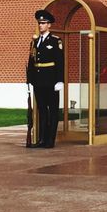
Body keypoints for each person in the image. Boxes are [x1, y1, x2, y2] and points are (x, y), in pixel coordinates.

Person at [27, 9, 64, 148]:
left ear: (49, 25)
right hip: (39, 81)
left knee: (52, 111)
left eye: (43, 23)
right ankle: (42, 139)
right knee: (42, 110)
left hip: (51, 81)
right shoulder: (35, 41)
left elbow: (59, 62)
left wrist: (60, 80)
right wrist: (30, 78)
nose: (41, 25)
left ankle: (50, 141)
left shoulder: (55, 41)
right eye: (39, 23)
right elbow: (32, 61)